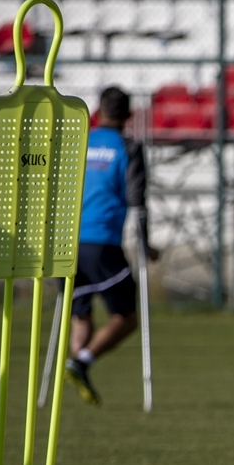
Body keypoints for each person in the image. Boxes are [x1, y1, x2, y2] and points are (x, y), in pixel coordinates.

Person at [64, 86, 158, 406]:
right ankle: (81, 362)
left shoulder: (81, 142)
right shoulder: (129, 147)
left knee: (81, 315)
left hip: (69, 242)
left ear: (96, 111)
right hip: (102, 242)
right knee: (126, 317)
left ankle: (75, 368)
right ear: (130, 116)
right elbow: (137, 201)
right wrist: (146, 245)